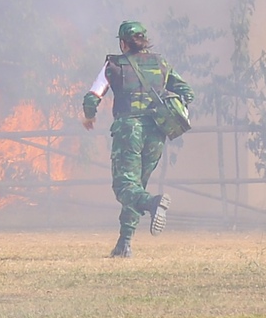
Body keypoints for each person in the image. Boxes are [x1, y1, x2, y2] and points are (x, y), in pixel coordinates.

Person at [79, 19, 192, 258]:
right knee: (136, 187)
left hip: (128, 130)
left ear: (123, 43)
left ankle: (153, 204)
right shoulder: (161, 64)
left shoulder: (114, 65)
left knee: (124, 187)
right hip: (156, 131)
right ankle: (124, 243)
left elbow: (92, 97)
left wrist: (89, 117)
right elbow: (187, 92)